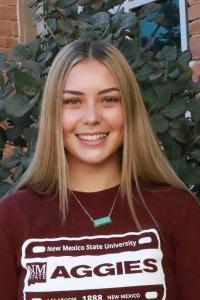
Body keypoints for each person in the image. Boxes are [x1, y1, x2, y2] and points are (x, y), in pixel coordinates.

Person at [0, 40, 199, 300]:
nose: (92, 117)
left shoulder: (178, 211)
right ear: (53, 114)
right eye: (73, 101)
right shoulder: (11, 218)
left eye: (109, 99)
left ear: (129, 110)